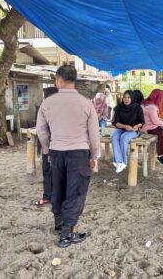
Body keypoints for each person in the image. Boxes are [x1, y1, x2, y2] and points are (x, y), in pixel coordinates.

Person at [36, 65, 100, 248]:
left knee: (58, 188)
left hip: (56, 153)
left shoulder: (47, 103)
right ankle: (67, 234)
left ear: (59, 80)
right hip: (79, 154)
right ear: (74, 81)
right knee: (76, 192)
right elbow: (94, 135)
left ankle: (58, 225)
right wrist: (94, 154)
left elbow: (41, 130)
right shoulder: (86, 103)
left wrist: (48, 149)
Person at [141, 89, 163, 166]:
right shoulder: (152, 107)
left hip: (148, 125)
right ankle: (160, 155)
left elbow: (156, 118)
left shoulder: (145, 103)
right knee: (162, 133)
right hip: (148, 128)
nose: (162, 99)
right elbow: (156, 122)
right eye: (161, 97)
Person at [111, 90, 145, 173]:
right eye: (125, 97)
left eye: (129, 97)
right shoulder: (119, 107)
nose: (126, 99)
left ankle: (122, 162)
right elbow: (116, 123)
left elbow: (142, 121)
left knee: (124, 137)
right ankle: (120, 162)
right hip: (121, 128)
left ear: (132, 98)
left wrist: (137, 126)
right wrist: (125, 126)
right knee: (114, 136)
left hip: (133, 130)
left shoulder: (137, 107)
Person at [35, 87, 58, 207]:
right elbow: (41, 129)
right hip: (46, 145)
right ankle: (47, 196)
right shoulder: (43, 108)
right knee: (46, 171)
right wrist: (45, 147)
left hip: (56, 147)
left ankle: (55, 196)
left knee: (56, 171)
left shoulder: (59, 110)